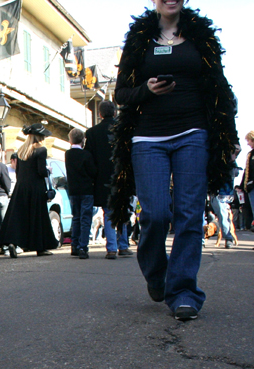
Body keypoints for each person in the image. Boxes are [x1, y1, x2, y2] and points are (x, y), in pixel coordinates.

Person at [109, 0, 238, 321]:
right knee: (154, 213)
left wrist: (229, 135)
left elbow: (219, 89)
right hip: (148, 137)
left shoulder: (200, 36)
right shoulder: (139, 38)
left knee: (189, 214)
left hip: (193, 133)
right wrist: (147, 89)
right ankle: (157, 274)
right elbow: (120, 94)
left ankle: (183, 291)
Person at [0, 123, 58, 257]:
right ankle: (40, 247)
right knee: (38, 217)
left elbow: (19, 171)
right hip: (36, 187)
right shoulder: (41, 150)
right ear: (39, 137)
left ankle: (13, 242)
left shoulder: (21, 150)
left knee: (19, 217)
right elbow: (41, 171)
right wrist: (48, 171)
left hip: (21, 187)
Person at [85, 100, 133, 260]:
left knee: (108, 211)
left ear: (99, 114)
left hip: (103, 177)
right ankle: (123, 245)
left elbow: (89, 157)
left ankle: (111, 248)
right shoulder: (123, 129)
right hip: (121, 175)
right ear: (114, 113)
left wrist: (95, 174)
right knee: (123, 209)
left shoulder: (92, 133)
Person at [65, 128, 95, 259]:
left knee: (76, 218)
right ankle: (83, 247)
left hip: (73, 190)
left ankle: (74, 245)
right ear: (83, 139)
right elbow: (93, 171)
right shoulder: (86, 155)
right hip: (86, 190)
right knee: (85, 218)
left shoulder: (68, 154)